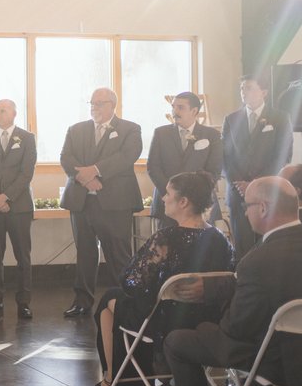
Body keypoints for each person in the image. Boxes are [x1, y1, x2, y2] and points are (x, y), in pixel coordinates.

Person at [164, 176, 302, 386]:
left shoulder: (258, 260)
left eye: (246, 205)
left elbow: (237, 329)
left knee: (178, 341)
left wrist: (207, 327)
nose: (244, 212)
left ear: (262, 208)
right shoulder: (262, 258)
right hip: (293, 354)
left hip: (277, 363)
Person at [92, 172, 234, 386]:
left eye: (168, 194)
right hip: (208, 318)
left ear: (183, 201)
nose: (163, 198)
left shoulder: (166, 238)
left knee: (109, 299)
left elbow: (131, 282)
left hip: (165, 321)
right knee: (119, 296)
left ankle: (114, 380)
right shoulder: (220, 238)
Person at [60, 87, 144, 318]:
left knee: (118, 252)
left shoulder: (130, 129)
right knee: (85, 252)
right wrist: (85, 179)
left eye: (99, 103)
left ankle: (127, 300)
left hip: (116, 202)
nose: (94, 107)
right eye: (92, 103)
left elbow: (128, 156)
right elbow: (66, 158)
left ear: (112, 105)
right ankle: (82, 300)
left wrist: (96, 171)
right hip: (82, 201)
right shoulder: (76, 130)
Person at [222, 74, 293, 260]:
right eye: (242, 88)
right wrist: (239, 184)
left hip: (267, 194)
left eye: (249, 88)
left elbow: (283, 154)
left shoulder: (280, 118)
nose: (243, 92)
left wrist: (255, 185)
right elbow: (225, 158)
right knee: (242, 250)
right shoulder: (231, 119)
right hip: (238, 193)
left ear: (264, 92)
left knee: (267, 246)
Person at [0, 99, 37, 319]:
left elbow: (26, 173)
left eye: (2, 110)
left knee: (23, 255)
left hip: (19, 206)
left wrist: (7, 197)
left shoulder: (27, 138)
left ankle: (24, 302)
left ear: (14, 113)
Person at [146, 92, 223, 229]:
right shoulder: (161, 133)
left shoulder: (211, 135)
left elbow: (214, 169)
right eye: (173, 107)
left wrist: (193, 195)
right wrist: (172, 195)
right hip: (167, 202)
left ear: (194, 111)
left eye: (180, 107)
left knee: (200, 248)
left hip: (198, 203)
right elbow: (153, 167)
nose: (175, 111)